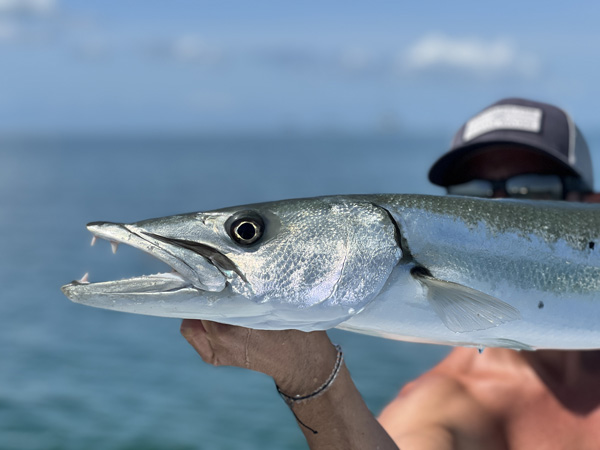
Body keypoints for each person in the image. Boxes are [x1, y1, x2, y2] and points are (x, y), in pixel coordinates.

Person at [180, 98, 600, 449]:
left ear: (591, 203)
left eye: (532, 192)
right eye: (471, 196)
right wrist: (311, 378)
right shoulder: (450, 404)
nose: (499, 207)